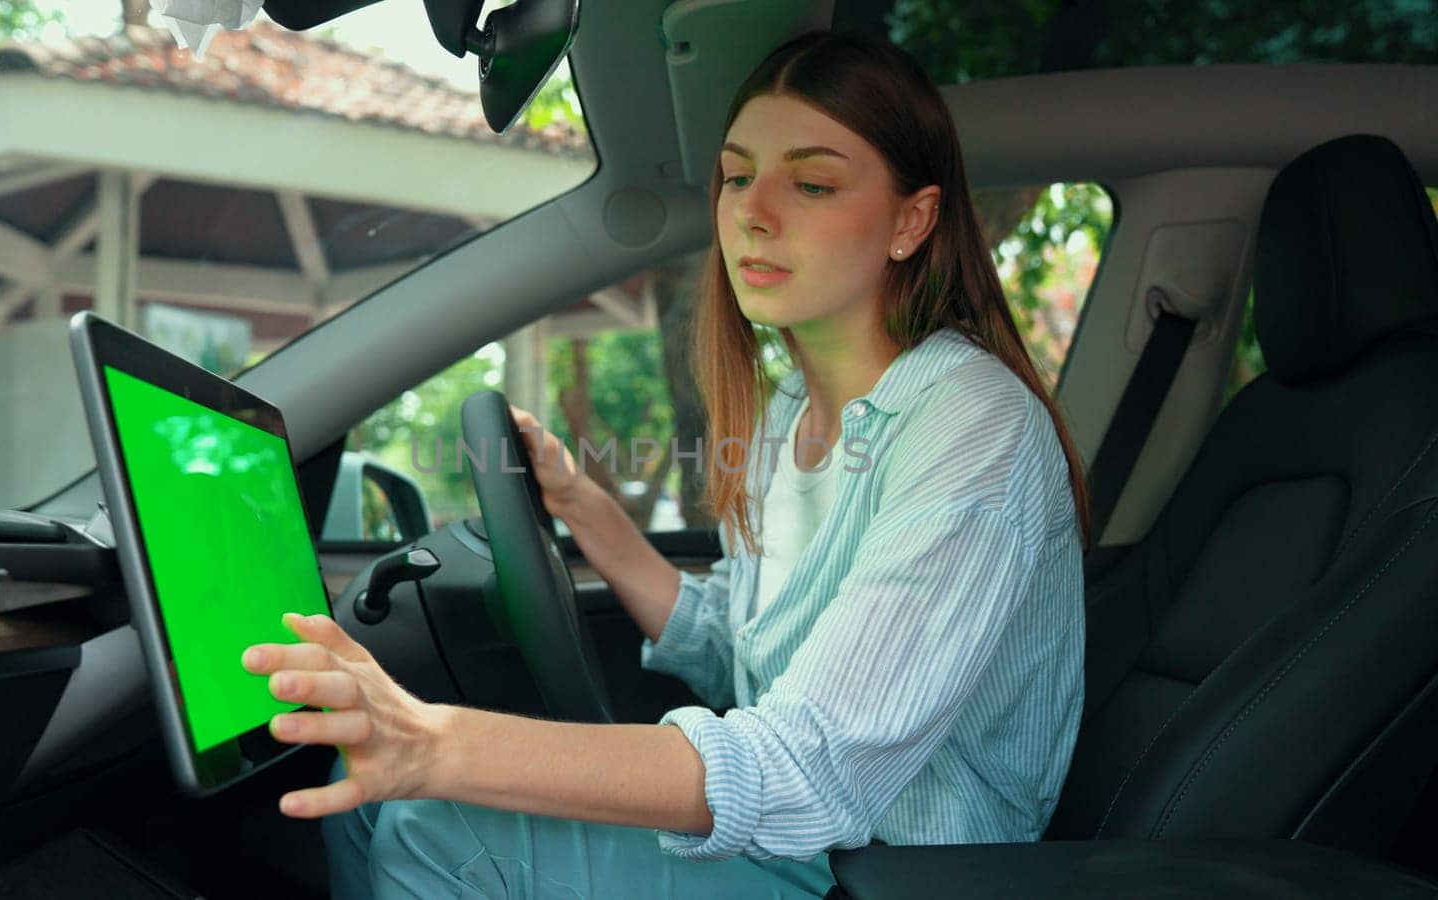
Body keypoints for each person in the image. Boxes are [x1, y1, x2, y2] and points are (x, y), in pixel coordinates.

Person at [240, 30, 1089, 898]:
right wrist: (581, 506)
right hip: (800, 839)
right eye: (735, 175)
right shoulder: (788, 408)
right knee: (356, 781)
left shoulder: (972, 426)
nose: (753, 211)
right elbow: (742, 652)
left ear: (911, 220)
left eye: (811, 182)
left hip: (892, 870)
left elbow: (810, 770)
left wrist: (437, 743)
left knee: (445, 827)